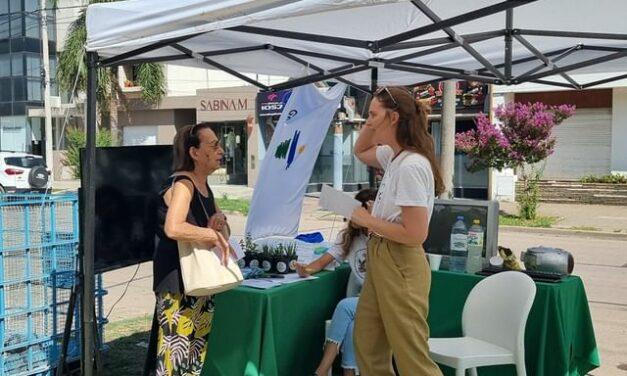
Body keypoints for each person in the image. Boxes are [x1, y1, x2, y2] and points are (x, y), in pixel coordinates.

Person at [351, 86, 445, 375]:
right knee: (368, 344)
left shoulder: (410, 165)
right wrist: (371, 120)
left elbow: (416, 234)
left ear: (393, 118)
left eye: (373, 116)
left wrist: (368, 221)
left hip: (400, 259)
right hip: (383, 257)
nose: (368, 122)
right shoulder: (395, 156)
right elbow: (359, 150)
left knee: (411, 357)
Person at [151, 122, 230, 376]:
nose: (221, 150)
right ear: (194, 153)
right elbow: (173, 228)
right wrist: (208, 233)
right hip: (177, 284)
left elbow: (219, 233)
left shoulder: (205, 187)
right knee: (175, 359)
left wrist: (217, 225)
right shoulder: (183, 184)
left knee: (194, 357)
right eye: (214, 145)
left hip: (200, 281)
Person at [296, 188, 377, 376]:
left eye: (362, 211)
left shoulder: (383, 238)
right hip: (362, 303)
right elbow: (324, 260)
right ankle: (347, 373)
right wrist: (306, 269)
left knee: (344, 306)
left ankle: (322, 370)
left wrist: (374, 225)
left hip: (381, 301)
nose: (354, 215)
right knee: (351, 326)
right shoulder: (348, 236)